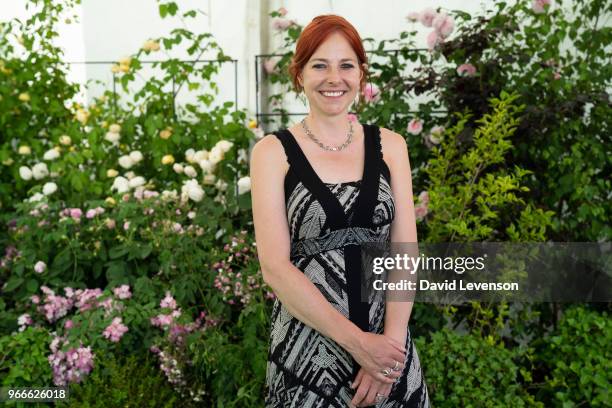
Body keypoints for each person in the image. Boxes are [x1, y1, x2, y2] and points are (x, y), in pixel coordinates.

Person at [250, 14, 430, 408]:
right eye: (319, 65)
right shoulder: (272, 153)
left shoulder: (392, 146)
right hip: (307, 358)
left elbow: (405, 250)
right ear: (299, 75)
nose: (335, 78)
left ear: (361, 74)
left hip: (389, 351)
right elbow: (275, 269)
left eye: (346, 65)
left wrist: (389, 352)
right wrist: (359, 344)